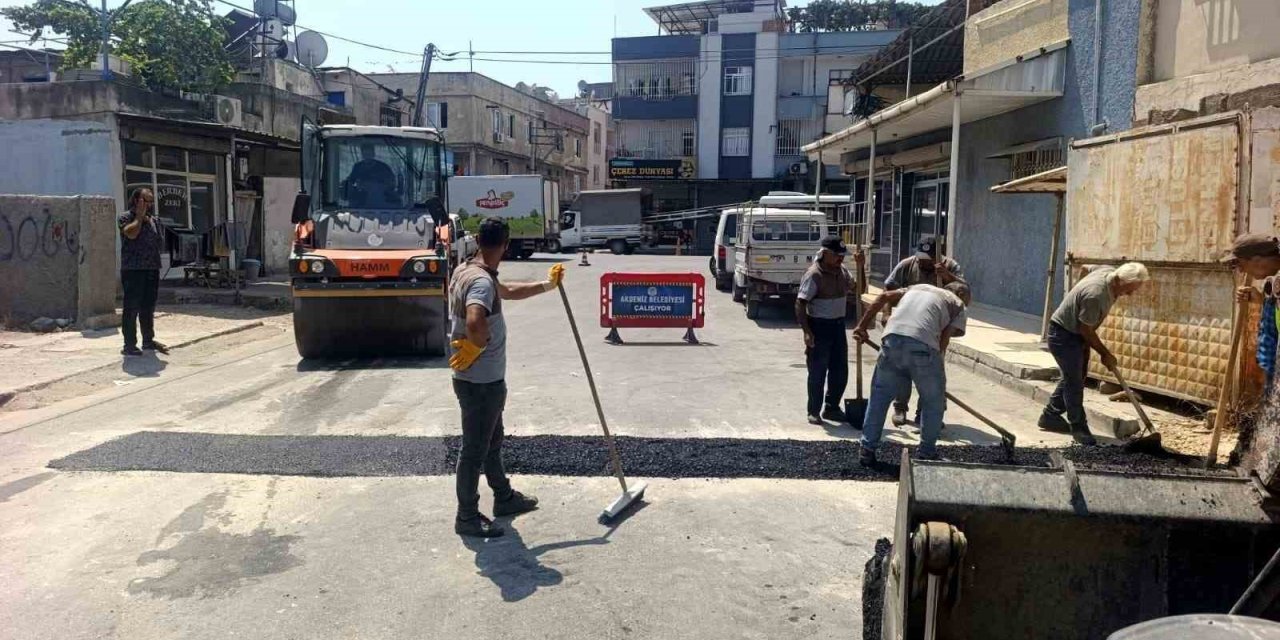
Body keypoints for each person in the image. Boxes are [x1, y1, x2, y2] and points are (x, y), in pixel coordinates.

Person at [448, 216, 566, 538]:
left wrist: (548, 285)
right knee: (474, 450)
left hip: (475, 379)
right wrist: (477, 344)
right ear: (506, 244)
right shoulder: (482, 282)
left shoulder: (467, 270)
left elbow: (508, 291)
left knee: (492, 442)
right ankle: (467, 517)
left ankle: (504, 497)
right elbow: (475, 319)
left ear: (477, 240)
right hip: (481, 382)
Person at [853, 281, 972, 465]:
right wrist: (936, 374)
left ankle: (867, 450)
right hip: (923, 348)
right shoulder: (957, 303)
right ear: (962, 293)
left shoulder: (917, 288)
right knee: (933, 402)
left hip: (891, 340)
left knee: (879, 397)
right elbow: (944, 339)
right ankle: (927, 453)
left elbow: (883, 296)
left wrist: (861, 326)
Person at [1038, 262, 1150, 445]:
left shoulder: (1107, 271)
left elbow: (1084, 267)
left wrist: (1076, 295)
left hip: (1076, 334)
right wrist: (1105, 354)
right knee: (1074, 382)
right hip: (1063, 335)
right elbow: (1086, 330)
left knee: (1075, 377)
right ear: (1120, 280)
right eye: (1130, 289)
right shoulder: (1096, 295)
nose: (1130, 294)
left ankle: (1050, 416)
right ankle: (1079, 428)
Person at [883, 236, 964, 427]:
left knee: (932, 370)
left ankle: (924, 413)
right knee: (904, 367)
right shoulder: (907, 265)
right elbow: (889, 288)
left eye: (927, 259)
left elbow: (964, 288)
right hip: (910, 323)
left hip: (937, 327)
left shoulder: (951, 266)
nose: (922, 262)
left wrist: (947, 276)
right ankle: (900, 408)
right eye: (920, 258)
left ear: (937, 257)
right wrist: (886, 313)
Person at [797, 235, 858, 425]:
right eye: (837, 255)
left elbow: (859, 288)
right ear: (825, 254)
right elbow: (800, 303)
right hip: (819, 327)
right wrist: (807, 332)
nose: (841, 258)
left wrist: (861, 266)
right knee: (817, 372)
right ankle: (813, 411)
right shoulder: (814, 275)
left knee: (840, 372)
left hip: (838, 327)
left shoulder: (843, 271)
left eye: (842, 255)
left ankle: (831, 408)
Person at [118, 188, 168, 357]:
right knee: (131, 307)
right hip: (133, 269)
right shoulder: (126, 217)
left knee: (148, 307)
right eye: (146, 201)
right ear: (136, 200)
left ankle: (148, 340)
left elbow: (160, 242)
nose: (149, 205)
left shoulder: (154, 220)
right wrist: (139, 218)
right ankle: (129, 344)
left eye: (151, 201)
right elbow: (131, 234)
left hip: (151, 268)